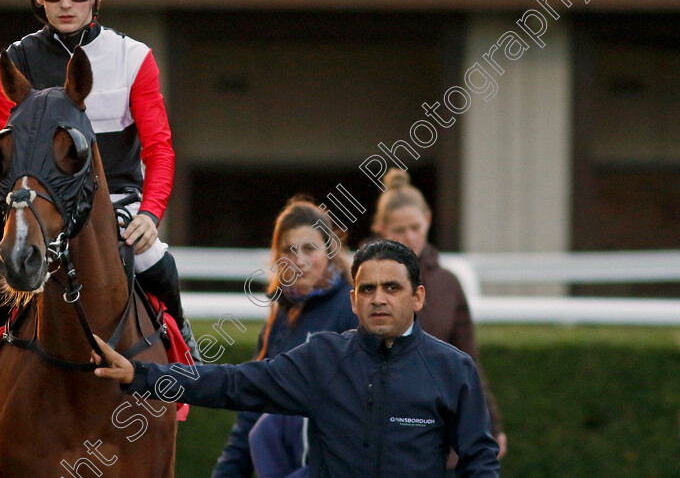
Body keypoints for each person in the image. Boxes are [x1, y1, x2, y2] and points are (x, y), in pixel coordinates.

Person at [0, 0, 198, 371]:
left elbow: (160, 150)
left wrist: (150, 213)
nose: (66, 2)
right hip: (43, 205)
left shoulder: (135, 58)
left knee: (155, 260)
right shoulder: (7, 67)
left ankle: (182, 343)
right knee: (11, 266)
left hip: (118, 204)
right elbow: (10, 166)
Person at [92, 239, 500, 477]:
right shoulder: (323, 358)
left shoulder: (453, 369)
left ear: (418, 296)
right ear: (353, 299)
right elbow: (233, 384)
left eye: (392, 288)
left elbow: (479, 462)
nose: (379, 298)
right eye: (368, 289)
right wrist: (140, 375)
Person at [369, 168, 507, 469]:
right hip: (377, 429)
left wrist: (492, 425)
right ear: (381, 228)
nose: (409, 237)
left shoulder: (448, 284)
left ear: (428, 220)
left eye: (415, 227)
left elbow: (467, 362)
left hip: (436, 429)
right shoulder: (363, 284)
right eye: (399, 229)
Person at [215, 197, 359, 477]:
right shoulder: (281, 314)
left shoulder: (351, 308)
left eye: (309, 248)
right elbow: (254, 401)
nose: (299, 261)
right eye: (289, 250)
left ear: (329, 251)